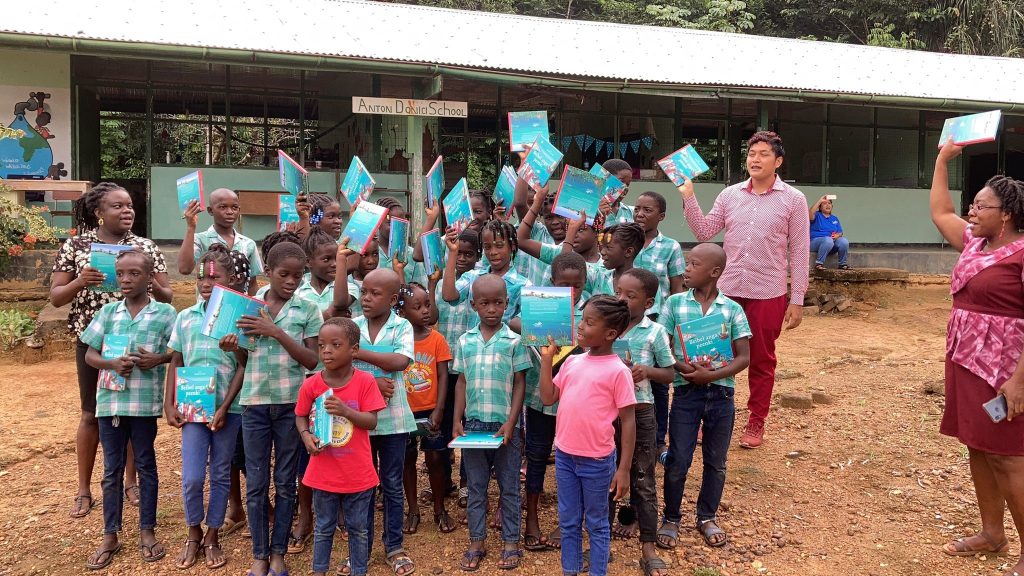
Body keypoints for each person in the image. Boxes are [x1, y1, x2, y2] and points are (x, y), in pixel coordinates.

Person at [678, 131, 809, 449]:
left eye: (763, 154)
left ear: (777, 161)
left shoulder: (793, 200)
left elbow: (800, 250)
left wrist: (797, 299)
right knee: (712, 354)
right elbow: (704, 231)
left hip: (768, 292)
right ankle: (703, 417)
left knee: (762, 359)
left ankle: (756, 421)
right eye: (751, 153)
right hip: (727, 289)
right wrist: (688, 194)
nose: (755, 159)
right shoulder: (730, 195)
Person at [49, 182, 173, 519]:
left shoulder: (145, 247)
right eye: (117, 206)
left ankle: (130, 482)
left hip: (139, 343)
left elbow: (168, 294)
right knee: (92, 412)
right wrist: (80, 280)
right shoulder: (76, 246)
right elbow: (57, 296)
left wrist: (154, 285)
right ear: (98, 212)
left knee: (133, 413)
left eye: (129, 205)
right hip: (95, 341)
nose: (127, 211)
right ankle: (83, 489)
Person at [931, 138, 1024, 575]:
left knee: (1008, 456)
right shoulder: (975, 245)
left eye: (982, 206)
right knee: (979, 446)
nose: (972, 211)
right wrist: (942, 160)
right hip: (967, 361)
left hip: (1008, 370)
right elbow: (941, 213)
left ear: (1005, 213)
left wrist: (1019, 380)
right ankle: (992, 534)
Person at [226, 241, 322, 576]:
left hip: (290, 406)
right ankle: (259, 555)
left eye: (298, 275)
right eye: (284, 274)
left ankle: (279, 551)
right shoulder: (249, 306)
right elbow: (244, 358)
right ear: (267, 271)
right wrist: (233, 346)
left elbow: (313, 359)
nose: (292, 281)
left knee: (284, 481)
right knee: (255, 482)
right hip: (253, 404)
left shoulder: (308, 309)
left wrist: (276, 332)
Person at [80, 248, 176, 569]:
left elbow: (177, 354)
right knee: (111, 470)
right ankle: (110, 534)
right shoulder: (108, 313)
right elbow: (90, 355)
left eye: (134, 274)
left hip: (144, 404)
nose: (125, 279)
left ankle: (147, 530)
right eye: (121, 273)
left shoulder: (165, 314)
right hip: (110, 403)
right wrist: (110, 362)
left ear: (149, 278)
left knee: (146, 465)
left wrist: (158, 359)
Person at [656, 243, 751, 552]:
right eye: (687, 262)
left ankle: (706, 516)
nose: (686, 269)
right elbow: (663, 347)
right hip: (686, 393)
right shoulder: (673, 304)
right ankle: (671, 518)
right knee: (678, 458)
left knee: (716, 461)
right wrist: (683, 367)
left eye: (693, 264)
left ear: (714, 272)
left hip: (721, 394)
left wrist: (711, 375)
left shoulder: (732, 309)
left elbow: (744, 357)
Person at [539, 295, 636, 576]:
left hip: (597, 461)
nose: (580, 327)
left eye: (589, 323)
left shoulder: (618, 371)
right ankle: (569, 570)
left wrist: (624, 469)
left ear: (610, 334)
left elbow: (628, 421)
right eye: (581, 319)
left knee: (597, 523)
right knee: (568, 521)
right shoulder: (571, 363)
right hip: (566, 457)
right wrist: (547, 361)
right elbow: (548, 397)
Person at [164, 246, 246, 570]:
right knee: (193, 477)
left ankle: (213, 534)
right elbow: (176, 360)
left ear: (231, 280)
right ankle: (193, 531)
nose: (207, 282)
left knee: (221, 472)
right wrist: (168, 403)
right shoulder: (186, 318)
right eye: (202, 276)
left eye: (215, 277)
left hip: (230, 409)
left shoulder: (236, 318)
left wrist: (226, 405)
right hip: (193, 410)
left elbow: (243, 366)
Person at [295, 317, 387, 576]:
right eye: (322, 345)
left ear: (354, 350)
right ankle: (319, 571)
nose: (326, 351)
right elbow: (300, 414)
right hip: (324, 472)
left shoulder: (365, 382)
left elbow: (371, 421)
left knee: (358, 528)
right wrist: (306, 436)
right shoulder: (312, 384)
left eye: (336, 345)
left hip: (357, 473)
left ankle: (359, 570)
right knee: (323, 527)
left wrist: (345, 411)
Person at [452, 273, 531, 571]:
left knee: (509, 486)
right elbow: (461, 381)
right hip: (473, 427)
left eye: (498, 303)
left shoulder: (514, 341)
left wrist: (512, 423)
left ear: (507, 304)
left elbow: (520, 382)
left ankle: (511, 542)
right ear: (473, 305)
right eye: (484, 303)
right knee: (476, 486)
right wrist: (457, 419)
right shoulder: (465, 341)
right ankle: (477, 541)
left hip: (504, 427)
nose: (492, 309)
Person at [519, 250, 589, 552]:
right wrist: (535, 326)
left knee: (574, 461)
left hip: (576, 404)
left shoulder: (591, 312)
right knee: (536, 456)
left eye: (577, 286)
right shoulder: (541, 306)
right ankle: (531, 516)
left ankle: (569, 521)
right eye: (563, 285)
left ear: (586, 283)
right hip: (540, 400)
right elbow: (513, 323)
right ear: (551, 282)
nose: (571, 293)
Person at [351, 268, 417, 576]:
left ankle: (394, 546)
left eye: (374, 294)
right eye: (364, 291)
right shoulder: (351, 326)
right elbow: (338, 364)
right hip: (360, 420)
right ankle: (359, 549)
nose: (365, 298)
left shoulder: (402, 326)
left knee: (391, 483)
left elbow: (400, 361)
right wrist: (372, 382)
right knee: (362, 485)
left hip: (393, 421)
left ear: (392, 299)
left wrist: (358, 353)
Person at [610, 267, 676, 576]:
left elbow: (670, 373)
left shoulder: (655, 332)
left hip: (640, 411)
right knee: (605, 474)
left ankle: (648, 546)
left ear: (648, 303)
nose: (622, 300)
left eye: (630, 296)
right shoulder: (606, 326)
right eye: (618, 292)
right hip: (606, 413)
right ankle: (599, 542)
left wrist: (646, 372)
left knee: (643, 478)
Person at [289, 228, 351, 554]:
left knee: (338, 445)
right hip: (308, 384)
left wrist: (341, 264)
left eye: (335, 258)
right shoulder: (296, 291)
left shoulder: (346, 283)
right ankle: (305, 516)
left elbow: (341, 304)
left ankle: (339, 513)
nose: (331, 263)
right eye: (325, 259)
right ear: (308, 261)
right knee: (307, 454)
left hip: (338, 384)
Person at [396, 281, 456, 534]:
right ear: (401, 312)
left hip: (431, 409)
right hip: (405, 411)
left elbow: (443, 375)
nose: (425, 311)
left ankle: (439, 508)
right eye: (417, 306)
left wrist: (440, 409)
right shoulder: (398, 338)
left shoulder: (437, 339)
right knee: (407, 459)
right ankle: (413, 509)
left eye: (427, 305)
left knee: (435, 458)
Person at [631, 190, 685, 453]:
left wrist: (673, 327)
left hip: (658, 324)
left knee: (659, 383)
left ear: (661, 216)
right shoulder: (624, 240)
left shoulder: (671, 247)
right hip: (627, 324)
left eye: (647, 210)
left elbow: (677, 289)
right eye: (637, 209)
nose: (640, 214)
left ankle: (657, 440)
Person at [442, 219, 530, 326]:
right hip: (474, 342)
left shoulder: (523, 286)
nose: (493, 252)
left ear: (512, 246)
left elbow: (528, 325)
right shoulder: (472, 277)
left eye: (499, 245)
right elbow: (449, 296)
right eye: (487, 247)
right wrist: (453, 251)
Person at [178, 187, 263, 295]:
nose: (229, 212)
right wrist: (191, 227)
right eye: (223, 207)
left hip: (239, 308)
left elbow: (252, 284)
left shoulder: (248, 244)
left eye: (234, 207)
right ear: (210, 210)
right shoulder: (199, 240)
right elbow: (184, 269)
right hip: (208, 307)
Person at [809, 196, 850, 270]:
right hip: (815, 243)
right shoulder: (817, 215)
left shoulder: (834, 218)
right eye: (824, 203)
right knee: (828, 240)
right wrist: (819, 200)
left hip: (830, 244)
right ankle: (819, 264)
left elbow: (840, 232)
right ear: (820, 207)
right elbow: (809, 214)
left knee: (844, 241)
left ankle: (842, 264)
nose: (828, 205)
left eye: (829, 203)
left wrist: (838, 235)